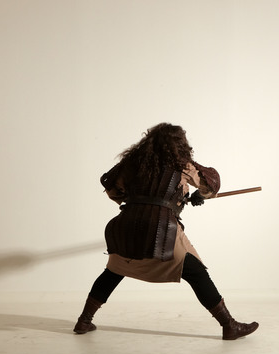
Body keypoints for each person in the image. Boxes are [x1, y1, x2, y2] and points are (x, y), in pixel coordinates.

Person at [73, 123, 258, 340]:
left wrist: (138, 201)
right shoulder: (182, 165)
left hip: (126, 225)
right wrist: (200, 195)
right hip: (161, 230)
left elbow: (112, 189)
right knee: (197, 272)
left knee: (114, 269)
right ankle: (229, 326)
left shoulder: (133, 163)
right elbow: (211, 186)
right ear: (180, 144)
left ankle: (84, 321)